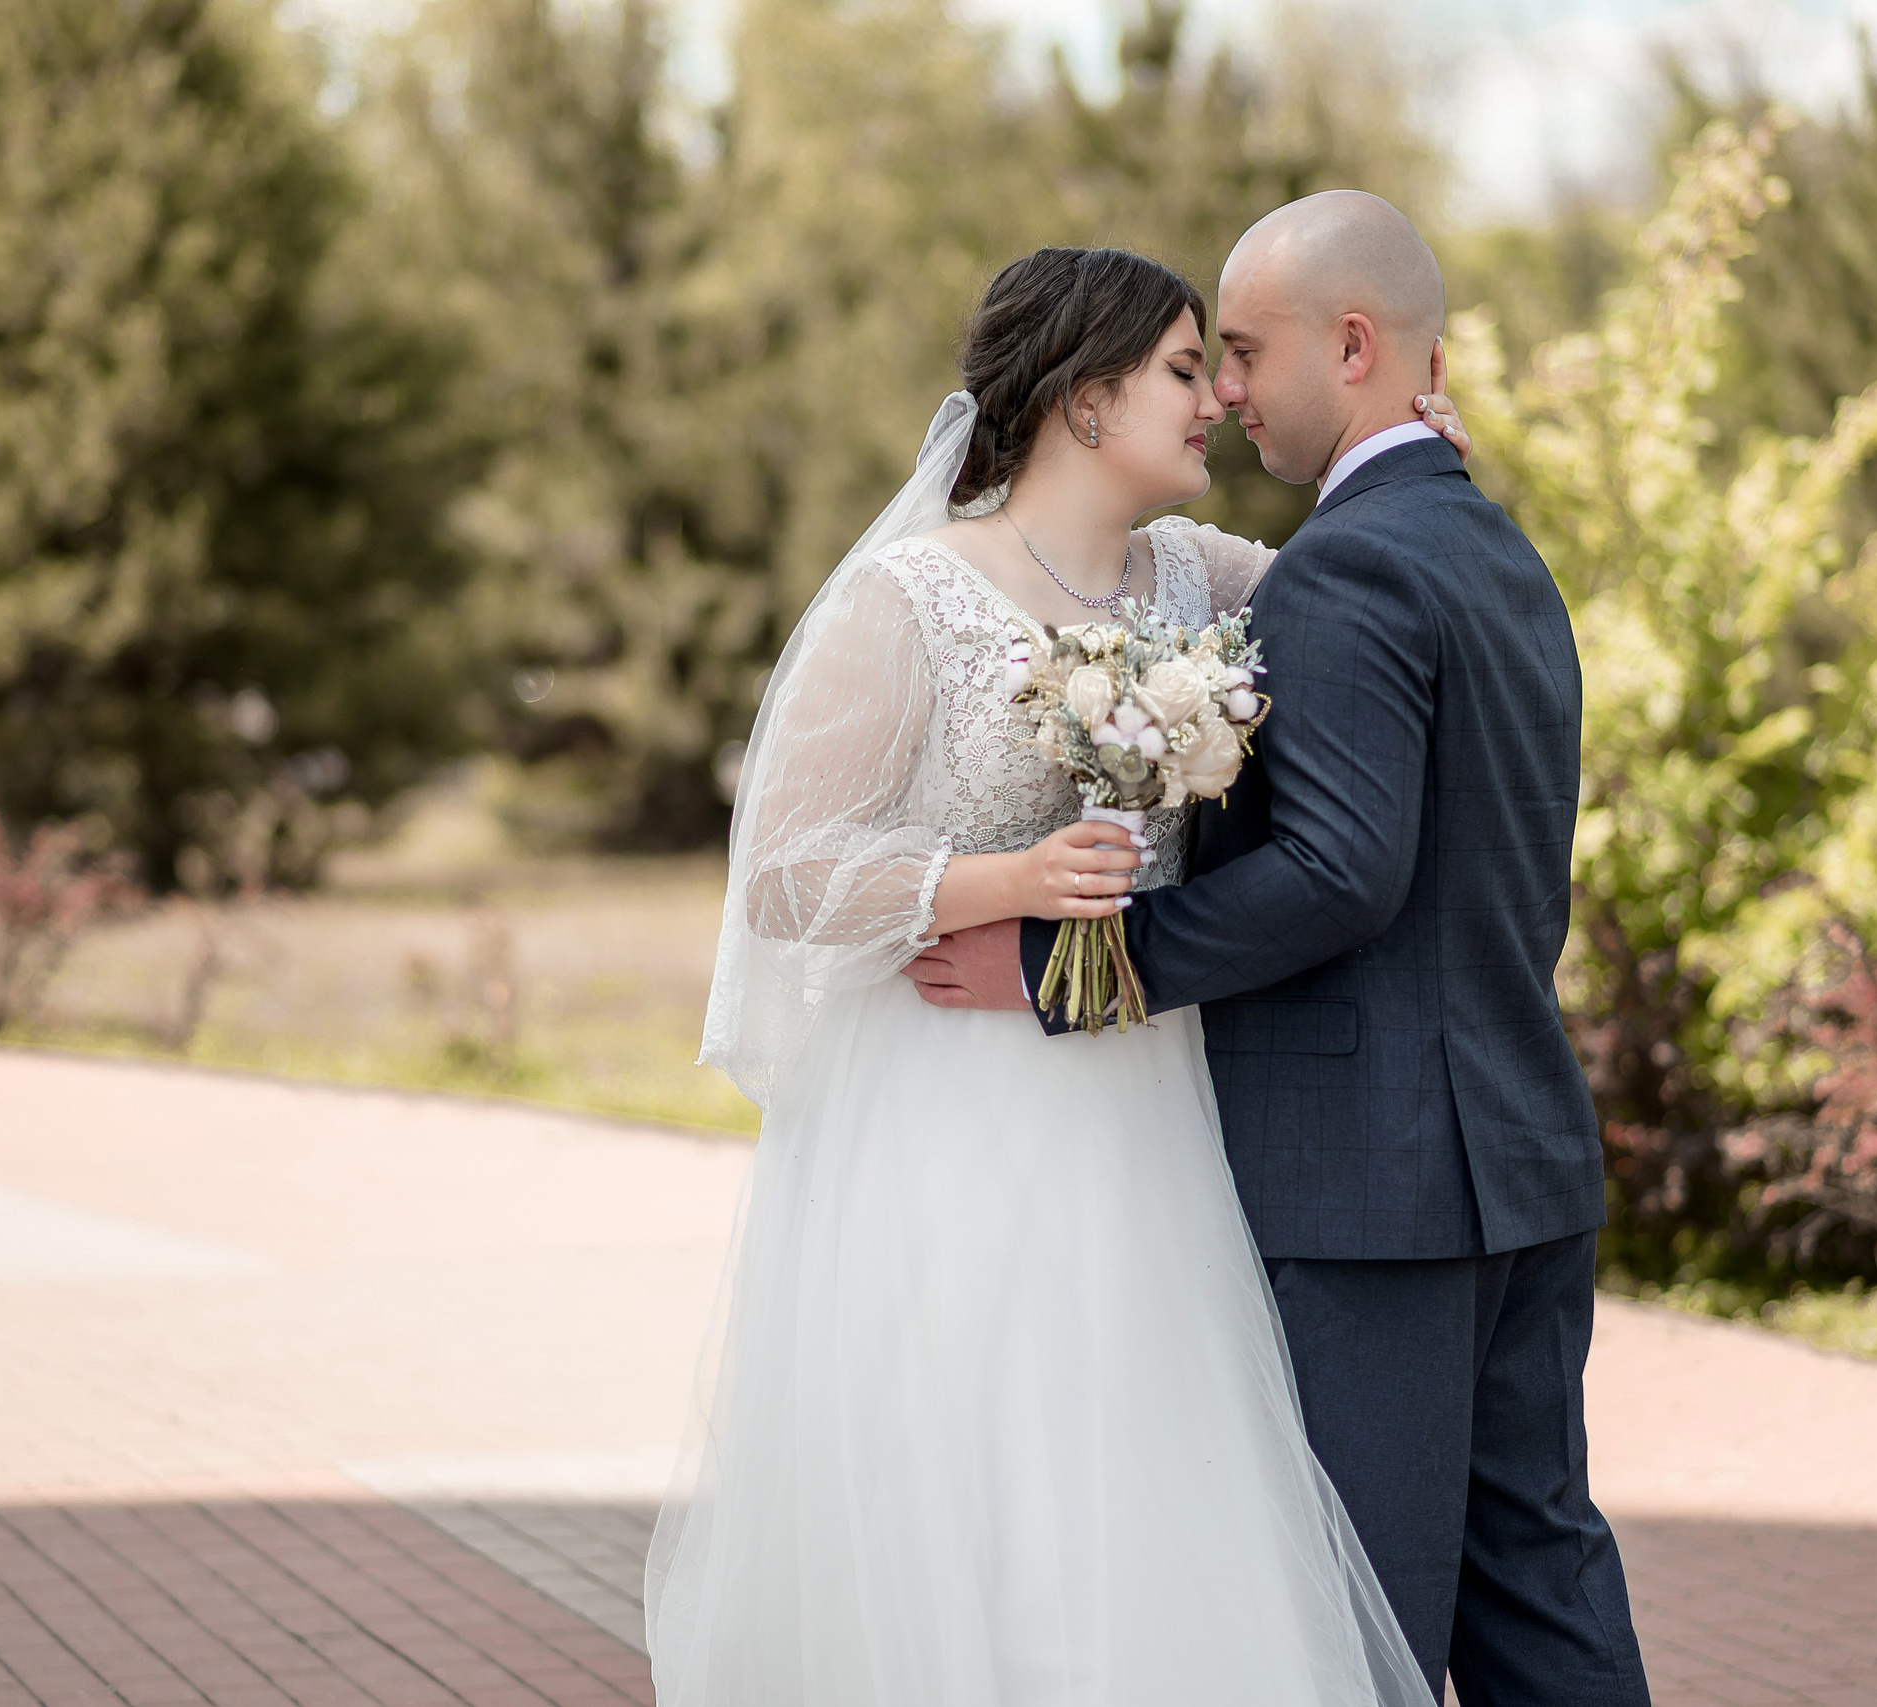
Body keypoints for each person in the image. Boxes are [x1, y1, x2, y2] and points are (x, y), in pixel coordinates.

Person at [649, 245, 1457, 1706]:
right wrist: (996, 889)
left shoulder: (1200, 578)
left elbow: (1363, 591)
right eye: (1177, 368)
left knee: (1140, 1468)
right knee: (981, 1469)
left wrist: (1416, 467)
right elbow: (779, 869)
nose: (1212, 397)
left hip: (1143, 1102)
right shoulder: (910, 599)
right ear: (1085, 401)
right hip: (956, 1105)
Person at [906, 193, 1653, 1706]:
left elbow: (1336, 873)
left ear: (1356, 344)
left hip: (1377, 1194)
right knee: (1537, 1588)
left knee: (1349, 1620)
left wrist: (1072, 976)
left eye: (1242, 352)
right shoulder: (1495, 554)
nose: (1229, 389)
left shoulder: (1352, 569)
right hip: (1513, 1159)